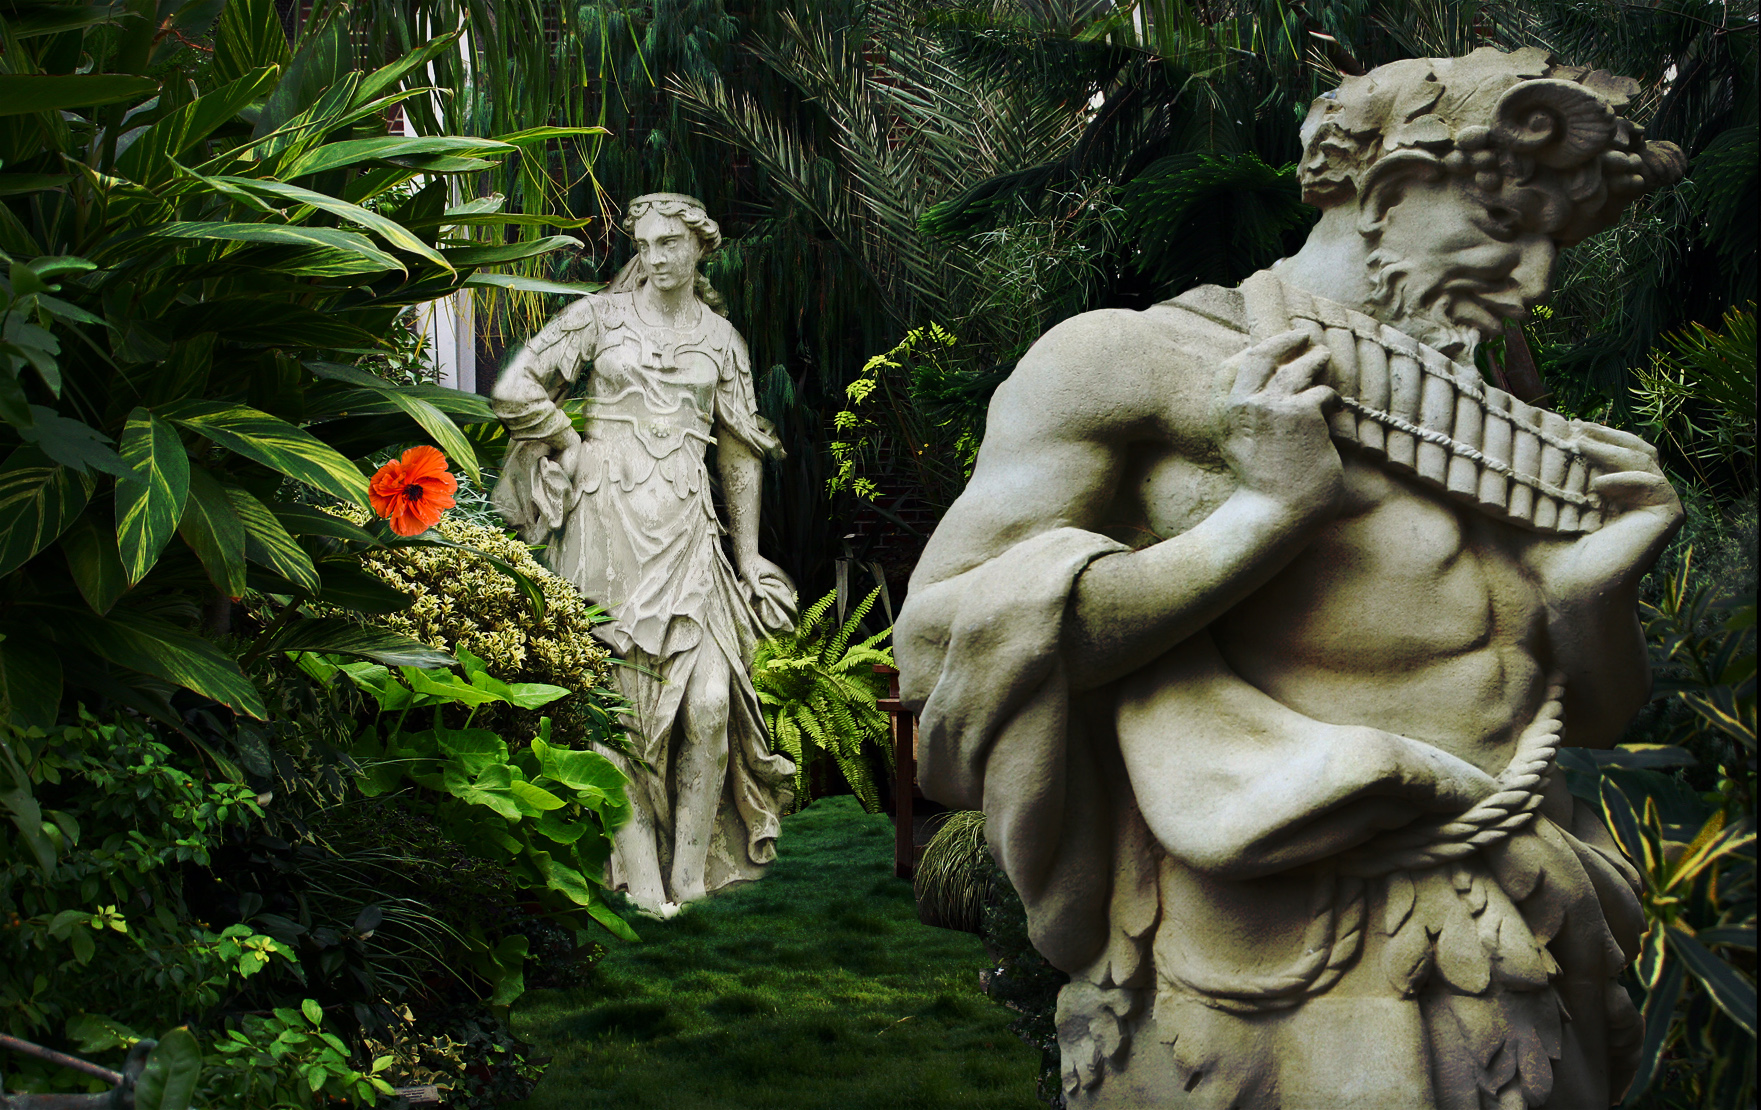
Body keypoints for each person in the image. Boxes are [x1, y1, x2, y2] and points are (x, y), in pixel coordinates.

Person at [896, 48, 1685, 1108]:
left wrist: (1592, 591)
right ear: (1393, 194)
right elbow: (943, 647)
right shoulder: (1130, 361)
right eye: (1510, 231)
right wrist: (1265, 517)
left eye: (1559, 248)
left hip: (1518, 929)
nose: (1537, 283)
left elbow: (1589, 715)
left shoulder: (1501, 421)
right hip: (1273, 954)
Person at [492, 194, 797, 917]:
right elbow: (512, 388)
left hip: (689, 530)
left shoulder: (721, 340)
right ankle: (643, 876)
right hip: (606, 526)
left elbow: (740, 451)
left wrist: (749, 556)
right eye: (645, 243)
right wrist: (570, 444)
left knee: (712, 706)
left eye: (669, 243)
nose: (655, 256)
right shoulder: (598, 318)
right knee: (618, 709)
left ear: (700, 249)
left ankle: (692, 874)